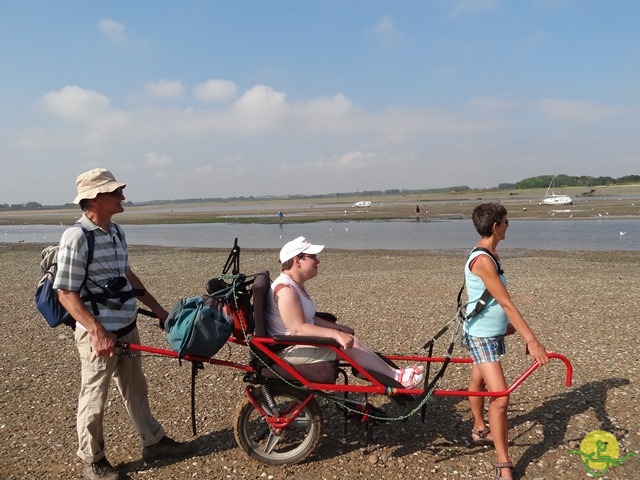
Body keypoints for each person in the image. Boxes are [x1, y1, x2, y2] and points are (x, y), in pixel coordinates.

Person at [54, 168, 190, 480]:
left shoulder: (115, 231)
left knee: (136, 388)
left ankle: (153, 442)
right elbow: (65, 293)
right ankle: (93, 459)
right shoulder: (77, 237)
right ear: (93, 199)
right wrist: (97, 331)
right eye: (115, 193)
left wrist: (158, 309)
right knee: (94, 396)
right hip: (98, 333)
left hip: (126, 324)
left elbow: (127, 275)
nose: (122, 197)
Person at [461, 203, 549, 480]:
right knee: (500, 397)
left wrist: (504, 325)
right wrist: (532, 340)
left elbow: (490, 299)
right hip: (481, 335)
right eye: (506, 222)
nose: (509, 225)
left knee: (480, 379)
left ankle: (478, 428)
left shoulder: (490, 252)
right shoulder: (484, 260)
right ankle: (503, 463)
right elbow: (506, 302)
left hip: (490, 330)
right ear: (496, 226)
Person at [266, 236, 424, 388]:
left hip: (297, 343)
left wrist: (339, 328)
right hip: (290, 350)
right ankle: (398, 378)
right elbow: (298, 328)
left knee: (350, 338)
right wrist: (335, 334)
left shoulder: (294, 285)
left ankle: (393, 373)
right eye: (313, 256)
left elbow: (310, 319)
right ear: (296, 261)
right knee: (349, 345)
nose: (318, 261)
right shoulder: (286, 291)